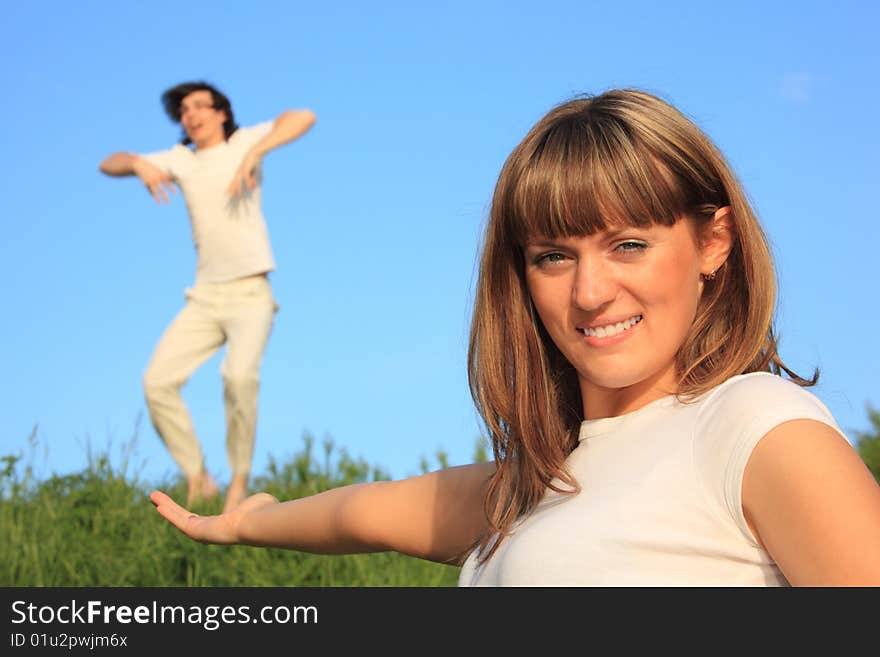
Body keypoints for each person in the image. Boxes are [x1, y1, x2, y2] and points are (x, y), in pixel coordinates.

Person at [150, 89, 880, 585]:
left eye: (628, 244)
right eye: (553, 256)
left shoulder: (755, 428)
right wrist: (247, 521)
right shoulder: (528, 484)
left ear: (713, 241)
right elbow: (359, 512)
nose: (590, 291)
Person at [100, 81, 316, 512]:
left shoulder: (244, 141)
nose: (191, 114)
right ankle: (198, 476)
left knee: (238, 377)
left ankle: (238, 481)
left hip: (251, 292)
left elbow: (303, 116)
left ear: (221, 112)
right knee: (156, 381)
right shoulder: (181, 160)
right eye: (183, 110)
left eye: (200, 105)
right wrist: (140, 166)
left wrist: (256, 153)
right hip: (203, 297)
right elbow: (110, 162)